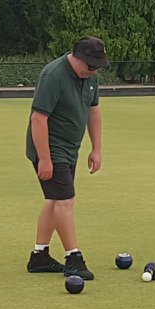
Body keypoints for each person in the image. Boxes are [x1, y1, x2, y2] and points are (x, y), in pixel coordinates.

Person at [25, 36, 105, 278]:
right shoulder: (54, 76)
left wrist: (96, 148)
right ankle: (73, 257)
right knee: (65, 201)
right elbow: (38, 119)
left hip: (70, 149)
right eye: (90, 66)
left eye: (97, 67)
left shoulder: (90, 78)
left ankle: (39, 256)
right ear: (77, 58)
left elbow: (94, 112)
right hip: (50, 148)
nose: (93, 71)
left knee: (54, 199)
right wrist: (45, 159)